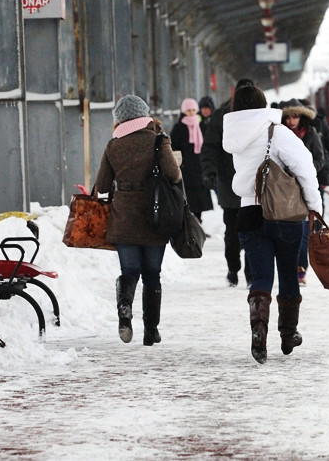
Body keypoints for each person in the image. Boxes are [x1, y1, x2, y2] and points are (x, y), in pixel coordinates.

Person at [223, 84, 322, 364]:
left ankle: (258, 329)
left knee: (262, 276)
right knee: (289, 272)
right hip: (283, 214)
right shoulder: (276, 133)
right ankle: (288, 335)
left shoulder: (234, 136)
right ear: (263, 105)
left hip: (249, 212)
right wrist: (315, 206)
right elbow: (305, 168)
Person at [94, 94, 181, 346]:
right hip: (155, 216)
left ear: (119, 120)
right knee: (152, 274)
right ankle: (151, 331)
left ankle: (124, 307)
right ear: (145, 115)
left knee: (129, 271)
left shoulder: (113, 146)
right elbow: (174, 175)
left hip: (123, 218)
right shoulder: (158, 141)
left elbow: (101, 185)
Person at [202, 78, 255, 288]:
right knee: (234, 231)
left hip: (251, 183)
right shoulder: (222, 116)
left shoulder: (258, 116)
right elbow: (210, 147)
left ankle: (251, 272)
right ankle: (233, 269)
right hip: (230, 182)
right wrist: (210, 172)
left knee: (249, 230)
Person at [281, 99, 325, 286]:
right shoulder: (279, 135)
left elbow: (320, 158)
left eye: (295, 116)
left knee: (304, 229)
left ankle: (301, 269)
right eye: (288, 117)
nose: (292, 121)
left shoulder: (311, 133)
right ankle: (288, 268)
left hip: (305, 185)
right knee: (287, 229)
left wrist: (306, 171)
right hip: (285, 188)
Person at [170, 98, 213, 220]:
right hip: (186, 169)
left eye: (194, 110)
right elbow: (174, 147)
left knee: (200, 199)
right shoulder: (179, 128)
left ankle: (198, 223)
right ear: (184, 111)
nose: (191, 112)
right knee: (188, 199)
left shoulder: (202, 126)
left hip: (200, 167)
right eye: (188, 110)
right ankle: (190, 226)